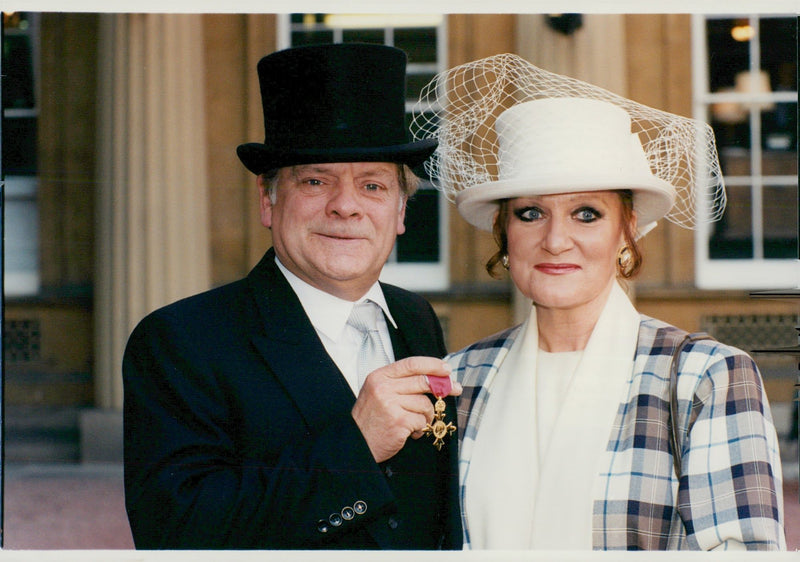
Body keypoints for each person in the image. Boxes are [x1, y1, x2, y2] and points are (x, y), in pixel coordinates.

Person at [412, 54, 785, 550]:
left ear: (626, 232)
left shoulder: (706, 378)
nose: (556, 239)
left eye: (586, 213)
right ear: (504, 233)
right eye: (530, 213)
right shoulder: (459, 380)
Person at [123, 43, 462, 550]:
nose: (346, 206)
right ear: (268, 200)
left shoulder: (416, 319)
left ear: (400, 213)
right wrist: (354, 447)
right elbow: (172, 532)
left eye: (372, 185)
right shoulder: (181, 341)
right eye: (315, 180)